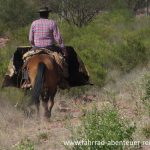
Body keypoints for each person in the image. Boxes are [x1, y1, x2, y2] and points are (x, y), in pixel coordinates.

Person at [21, 7, 68, 88]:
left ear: (40, 14)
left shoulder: (34, 23)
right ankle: (63, 80)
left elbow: (30, 39)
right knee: (61, 61)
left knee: (25, 61)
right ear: (48, 14)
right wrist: (63, 49)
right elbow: (58, 38)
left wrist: (34, 45)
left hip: (36, 48)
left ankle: (26, 80)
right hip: (50, 48)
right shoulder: (52, 23)